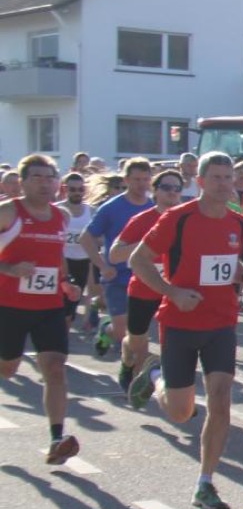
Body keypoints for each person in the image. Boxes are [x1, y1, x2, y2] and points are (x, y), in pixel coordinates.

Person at [126, 152, 243, 509]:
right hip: (180, 323)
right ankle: (153, 375)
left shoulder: (239, 222)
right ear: (200, 182)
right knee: (180, 412)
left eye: (228, 177)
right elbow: (138, 259)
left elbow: (230, 265)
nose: (223, 184)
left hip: (221, 323)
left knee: (220, 398)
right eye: (216, 177)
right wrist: (171, 292)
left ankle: (205, 482)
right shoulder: (178, 218)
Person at [0, 155, 81, 463]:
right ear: (22, 182)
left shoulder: (61, 216)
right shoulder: (9, 212)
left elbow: (56, 256)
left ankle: (56, 439)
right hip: (8, 305)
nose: (45, 184)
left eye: (50, 178)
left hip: (48, 306)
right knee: (8, 369)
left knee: (56, 368)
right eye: (37, 177)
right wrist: (9, 269)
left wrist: (65, 282)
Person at [107, 170, 182, 402]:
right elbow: (115, 254)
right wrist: (147, 245)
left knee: (175, 343)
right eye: (166, 187)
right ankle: (127, 360)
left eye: (177, 188)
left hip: (173, 291)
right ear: (155, 191)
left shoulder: (185, 219)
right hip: (143, 290)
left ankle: (163, 391)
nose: (172, 192)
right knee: (137, 341)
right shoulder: (142, 220)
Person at [81, 158, 154, 369]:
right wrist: (103, 266)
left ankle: (132, 364)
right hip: (117, 276)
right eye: (136, 179)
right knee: (123, 331)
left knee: (138, 331)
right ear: (126, 180)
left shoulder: (153, 208)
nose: (141, 184)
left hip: (144, 277)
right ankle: (111, 332)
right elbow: (86, 238)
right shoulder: (111, 208)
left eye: (145, 179)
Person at [56, 172, 97, 332]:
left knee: (72, 304)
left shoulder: (91, 211)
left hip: (83, 262)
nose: (77, 193)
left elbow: (99, 236)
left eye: (80, 189)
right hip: (62, 261)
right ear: (65, 189)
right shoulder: (57, 210)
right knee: (59, 302)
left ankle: (62, 335)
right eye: (72, 189)